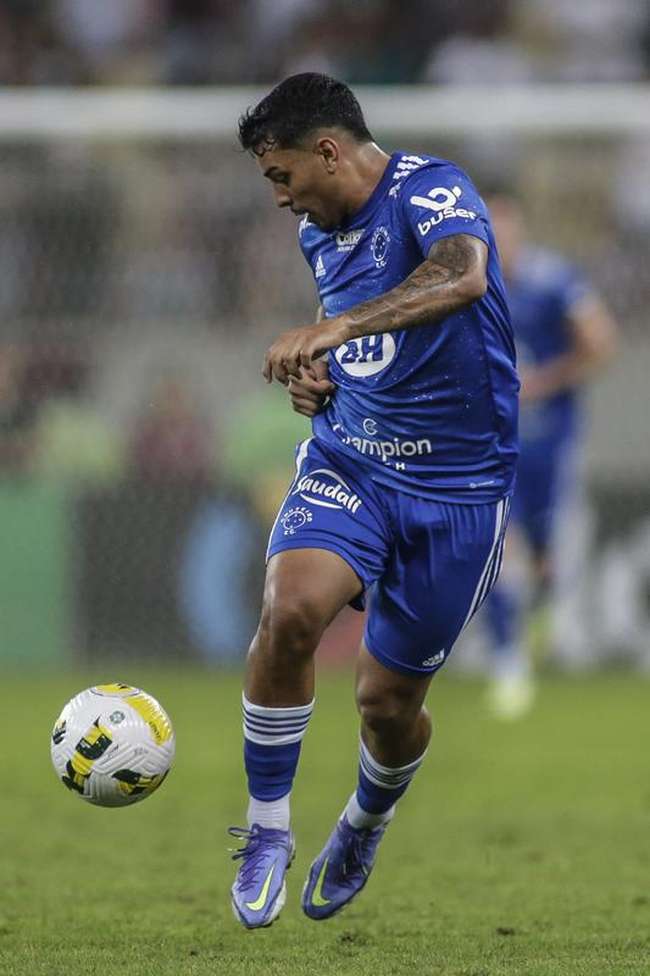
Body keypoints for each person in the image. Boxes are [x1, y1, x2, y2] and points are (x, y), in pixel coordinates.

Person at [229, 73, 519, 929]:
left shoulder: (431, 190)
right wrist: (323, 378)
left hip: (458, 492)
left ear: (327, 151)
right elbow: (360, 337)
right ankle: (267, 831)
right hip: (351, 464)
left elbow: (461, 278)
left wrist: (336, 332)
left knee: (387, 708)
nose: (280, 199)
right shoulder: (321, 232)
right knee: (289, 615)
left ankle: (364, 822)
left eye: (282, 177)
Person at [482, 190, 617, 719]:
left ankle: (537, 615)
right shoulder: (465, 288)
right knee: (495, 548)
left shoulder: (554, 280)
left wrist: (543, 381)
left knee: (542, 554)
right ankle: (507, 664)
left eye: (505, 227)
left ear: (520, 229)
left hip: (549, 443)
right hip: (492, 448)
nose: (498, 239)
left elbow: (601, 342)